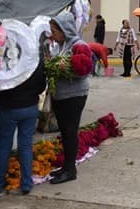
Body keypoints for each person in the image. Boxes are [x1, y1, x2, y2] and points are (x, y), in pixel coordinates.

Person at [0, 47, 47, 194]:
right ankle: (26, 183)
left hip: (8, 108)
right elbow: (42, 86)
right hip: (30, 107)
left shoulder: (6, 60)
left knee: (3, 146)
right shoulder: (36, 60)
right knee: (26, 145)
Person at [48, 13, 93, 184]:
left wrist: (64, 66)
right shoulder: (60, 45)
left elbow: (84, 70)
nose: (53, 35)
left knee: (70, 132)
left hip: (74, 96)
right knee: (65, 132)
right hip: (61, 96)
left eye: (55, 31)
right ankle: (66, 167)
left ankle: (70, 170)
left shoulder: (79, 45)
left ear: (64, 30)